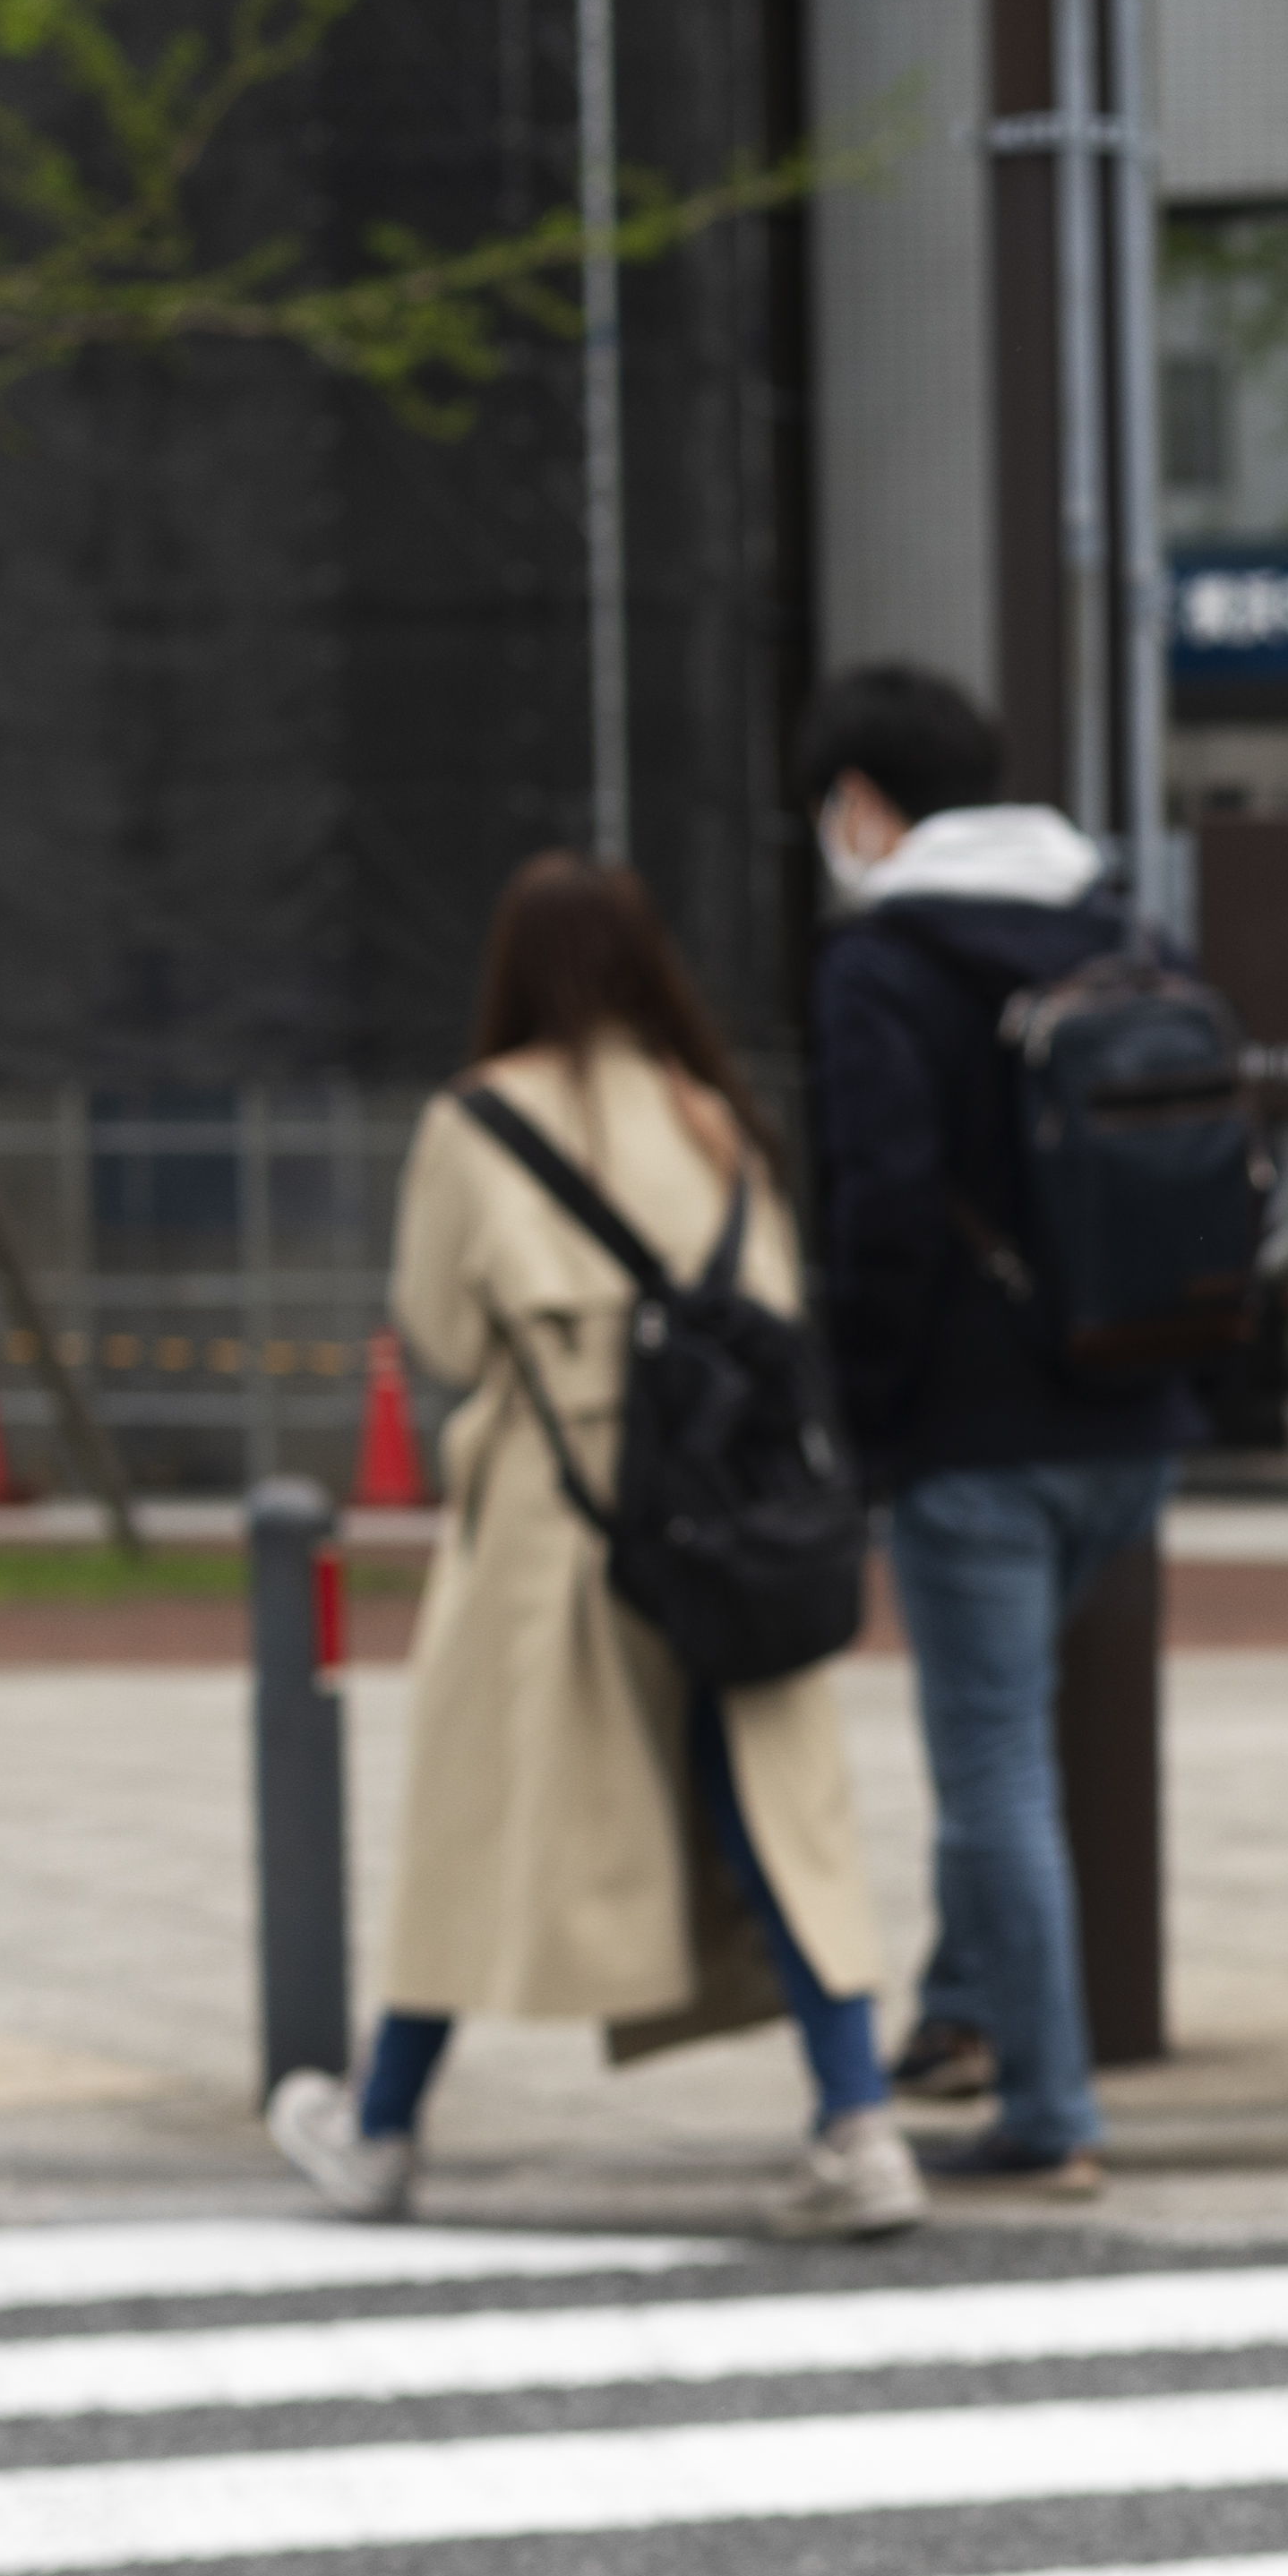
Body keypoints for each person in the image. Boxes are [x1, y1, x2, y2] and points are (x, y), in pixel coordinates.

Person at [269, 857, 922, 2243]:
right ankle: (860, 2125)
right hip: (735, 1519)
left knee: (476, 1825)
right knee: (780, 1822)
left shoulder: (476, 1122)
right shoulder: (714, 1115)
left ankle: (380, 2130)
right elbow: (778, 1304)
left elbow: (442, 1335)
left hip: (557, 1532)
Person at [798, 658, 1183, 2201]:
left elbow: (881, 1208)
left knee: (995, 1762)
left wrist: (868, 1413)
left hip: (975, 1429)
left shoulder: (885, 966)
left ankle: (1050, 2107)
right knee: (1001, 1734)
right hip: (1137, 1409)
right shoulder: (1124, 924)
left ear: (867, 805)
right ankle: (965, 2011)